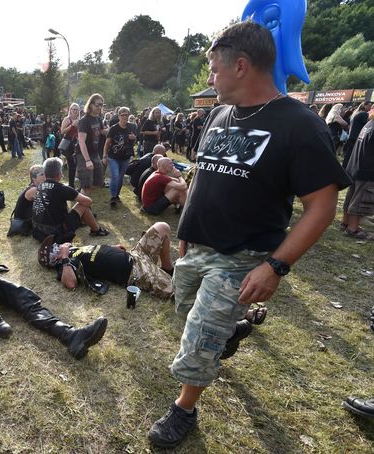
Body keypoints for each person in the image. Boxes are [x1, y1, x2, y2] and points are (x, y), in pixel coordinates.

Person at [147, 21, 352, 449]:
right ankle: (234, 329)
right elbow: (206, 174)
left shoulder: (300, 124)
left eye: (212, 68)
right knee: (188, 313)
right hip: (197, 246)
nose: (208, 78)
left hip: (244, 254)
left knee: (199, 336)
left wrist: (276, 265)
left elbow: (322, 208)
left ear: (241, 66)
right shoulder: (219, 115)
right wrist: (186, 232)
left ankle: (184, 408)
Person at [38, 222, 174, 298]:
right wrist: (64, 257)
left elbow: (94, 253)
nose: (57, 245)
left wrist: (111, 247)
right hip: (136, 271)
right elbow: (70, 284)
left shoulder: (74, 250)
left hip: (135, 254)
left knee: (162, 227)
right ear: (53, 258)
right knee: (179, 290)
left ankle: (167, 269)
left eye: (55, 244)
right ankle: (166, 277)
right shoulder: (65, 264)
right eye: (53, 248)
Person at [32, 157, 108, 243]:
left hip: (38, 232)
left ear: (45, 173)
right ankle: (96, 230)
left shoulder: (40, 186)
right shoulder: (62, 188)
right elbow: (88, 201)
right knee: (83, 205)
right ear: (59, 174)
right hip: (55, 235)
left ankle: (89, 225)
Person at [341, 109, 374, 240]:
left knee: (351, 196)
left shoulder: (370, 123)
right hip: (368, 169)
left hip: (356, 165)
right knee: (360, 201)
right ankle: (352, 229)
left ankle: (345, 223)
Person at [103, 107, 137, 206]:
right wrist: (104, 156)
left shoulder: (132, 127)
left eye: (126, 115)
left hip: (125, 157)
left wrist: (134, 138)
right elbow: (107, 143)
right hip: (113, 156)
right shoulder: (113, 128)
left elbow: (135, 139)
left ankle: (117, 195)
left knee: (121, 177)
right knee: (115, 176)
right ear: (118, 116)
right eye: (122, 115)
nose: (125, 117)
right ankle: (113, 197)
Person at [76, 94, 107, 195]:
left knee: (98, 182)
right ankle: (82, 208)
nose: (99, 107)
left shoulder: (98, 119)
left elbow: (102, 131)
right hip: (84, 155)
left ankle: (82, 201)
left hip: (94, 154)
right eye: (97, 105)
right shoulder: (84, 121)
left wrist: (115, 128)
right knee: (87, 185)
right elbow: (81, 141)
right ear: (90, 105)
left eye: (101, 105)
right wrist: (87, 160)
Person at [8, 165, 45, 237]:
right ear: (34, 178)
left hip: (26, 217)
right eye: (42, 174)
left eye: (45, 173)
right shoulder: (34, 190)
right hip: (22, 221)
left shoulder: (34, 186)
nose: (45, 176)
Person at [342, 101, 372, 168]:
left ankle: (344, 169)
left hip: (351, 136)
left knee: (349, 155)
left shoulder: (356, 113)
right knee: (354, 155)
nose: (370, 107)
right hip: (356, 137)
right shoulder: (364, 114)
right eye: (369, 106)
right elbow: (367, 125)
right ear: (364, 105)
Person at [59, 103, 81, 187]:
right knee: (71, 164)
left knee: (77, 163)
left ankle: (76, 182)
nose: (75, 111)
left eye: (76, 109)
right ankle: (71, 185)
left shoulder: (80, 120)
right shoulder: (67, 119)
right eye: (73, 109)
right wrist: (72, 125)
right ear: (70, 110)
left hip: (78, 143)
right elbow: (62, 131)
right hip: (69, 144)